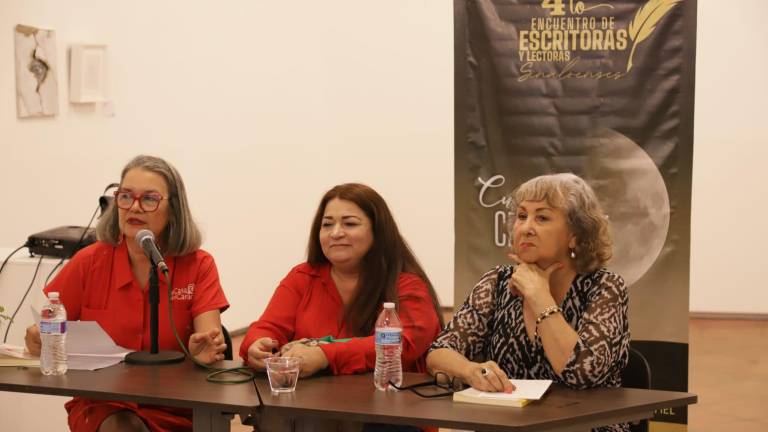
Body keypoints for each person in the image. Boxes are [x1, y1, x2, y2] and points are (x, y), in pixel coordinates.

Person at [25, 155, 229, 432]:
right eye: (125, 196)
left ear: (174, 209)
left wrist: (203, 351)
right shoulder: (89, 262)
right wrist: (39, 339)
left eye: (149, 199)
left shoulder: (199, 264)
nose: (134, 207)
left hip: (177, 403)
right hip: (105, 402)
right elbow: (48, 321)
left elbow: (210, 341)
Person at [426, 173, 629, 432]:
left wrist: (539, 295)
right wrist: (471, 370)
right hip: (509, 426)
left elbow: (582, 372)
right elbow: (438, 352)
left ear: (575, 235)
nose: (526, 228)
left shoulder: (605, 287)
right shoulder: (497, 282)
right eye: (522, 216)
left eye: (542, 218)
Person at [240, 183, 442, 378]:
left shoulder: (407, 284)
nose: (335, 233)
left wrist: (325, 356)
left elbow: (402, 344)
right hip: (310, 399)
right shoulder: (303, 276)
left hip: (385, 396)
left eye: (350, 224)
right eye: (327, 224)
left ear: (378, 231)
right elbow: (268, 327)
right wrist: (256, 344)